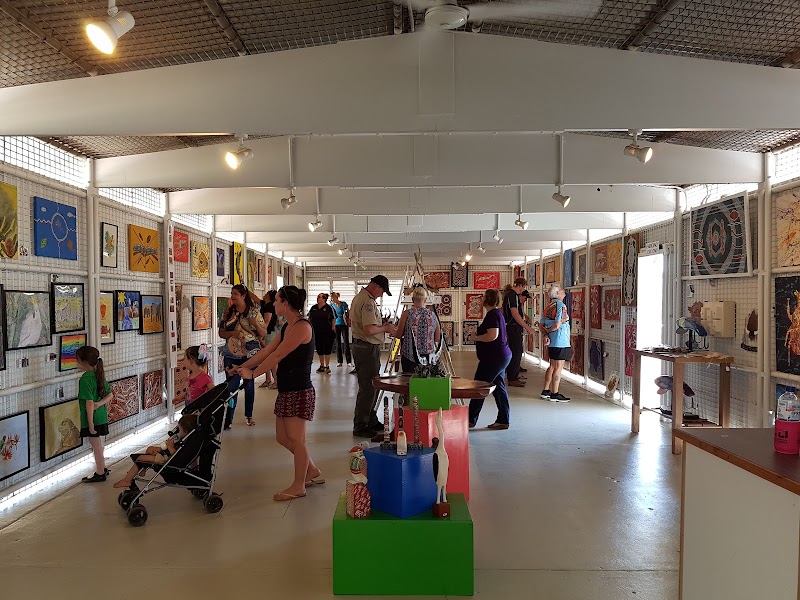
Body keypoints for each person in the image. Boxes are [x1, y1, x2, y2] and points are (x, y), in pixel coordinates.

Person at [236, 286, 324, 501]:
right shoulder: (288, 326)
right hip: (287, 389)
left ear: (286, 304)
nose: (273, 304)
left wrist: (253, 374)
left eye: (276, 301)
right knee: (283, 438)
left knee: (297, 439)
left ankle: (299, 485)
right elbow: (267, 351)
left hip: (299, 389)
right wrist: (242, 367)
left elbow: (277, 357)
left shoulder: (302, 327)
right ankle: (311, 470)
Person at [350, 275, 397, 437]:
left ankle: (370, 420)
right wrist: (385, 328)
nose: (381, 294)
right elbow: (369, 330)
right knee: (368, 388)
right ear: (376, 286)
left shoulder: (360, 297)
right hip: (367, 348)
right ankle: (361, 425)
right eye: (382, 291)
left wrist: (380, 324)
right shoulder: (368, 302)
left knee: (372, 386)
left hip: (364, 347)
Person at [219, 284, 267, 428]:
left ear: (243, 296)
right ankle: (229, 419)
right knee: (231, 387)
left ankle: (249, 415)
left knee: (249, 385)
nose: (232, 296)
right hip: (231, 353)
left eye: (235, 294)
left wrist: (254, 324)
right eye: (231, 293)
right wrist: (232, 334)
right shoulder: (228, 313)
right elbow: (221, 333)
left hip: (250, 353)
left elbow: (263, 333)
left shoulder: (253, 312)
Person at [112, 414, 198, 488]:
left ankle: (127, 480)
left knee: (140, 458)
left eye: (180, 429)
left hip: (166, 459)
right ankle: (142, 469)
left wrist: (171, 447)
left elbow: (177, 457)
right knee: (150, 449)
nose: (178, 432)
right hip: (164, 455)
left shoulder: (187, 443)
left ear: (186, 431)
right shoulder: (184, 438)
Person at [468, 289, 513, 429]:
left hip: (494, 359)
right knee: (499, 388)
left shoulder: (493, 315)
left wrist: (476, 337)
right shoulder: (495, 314)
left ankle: (470, 420)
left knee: (479, 386)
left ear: (488, 299)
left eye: (484, 297)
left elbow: (492, 335)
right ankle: (503, 420)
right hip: (499, 357)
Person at [76, 346, 113, 483]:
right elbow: (110, 395)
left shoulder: (85, 379)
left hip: (92, 419)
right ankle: (102, 468)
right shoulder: (99, 375)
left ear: (83, 362)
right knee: (99, 445)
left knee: (96, 446)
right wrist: (100, 404)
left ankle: (100, 472)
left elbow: (89, 404)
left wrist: (90, 425)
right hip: (101, 416)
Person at [395, 285, 441, 373]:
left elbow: (399, 335)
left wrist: (391, 330)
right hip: (429, 357)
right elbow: (437, 338)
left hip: (410, 356)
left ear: (412, 300)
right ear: (426, 300)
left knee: (410, 382)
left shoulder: (407, 314)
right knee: (426, 383)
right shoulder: (433, 315)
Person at [539, 285, 572, 402]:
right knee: (559, 367)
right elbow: (558, 324)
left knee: (552, 365)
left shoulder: (548, 306)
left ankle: (546, 390)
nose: (564, 293)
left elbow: (540, 324)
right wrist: (550, 330)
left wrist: (546, 334)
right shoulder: (561, 306)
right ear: (557, 294)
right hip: (560, 339)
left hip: (552, 341)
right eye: (562, 291)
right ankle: (555, 393)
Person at [503, 277, 537, 387]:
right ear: (521, 285)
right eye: (524, 287)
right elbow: (515, 314)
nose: (524, 289)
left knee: (517, 351)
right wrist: (527, 327)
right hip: (513, 327)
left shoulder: (512, 295)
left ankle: (514, 375)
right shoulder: (512, 295)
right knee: (516, 352)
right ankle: (512, 378)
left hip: (513, 327)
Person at [308, 292, 336, 373]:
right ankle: (322, 365)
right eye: (317, 297)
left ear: (324, 299)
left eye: (319, 297)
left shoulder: (329, 308)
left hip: (327, 331)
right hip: (316, 331)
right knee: (319, 349)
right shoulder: (313, 308)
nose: (318, 298)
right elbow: (309, 318)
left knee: (327, 348)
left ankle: (327, 366)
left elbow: (333, 318)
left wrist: (333, 328)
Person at [259, 290, 278, 388]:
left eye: (266, 294)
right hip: (266, 334)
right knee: (265, 358)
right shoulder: (264, 304)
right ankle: (268, 379)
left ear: (269, 296)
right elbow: (255, 298)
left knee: (271, 358)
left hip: (268, 335)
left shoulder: (270, 306)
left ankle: (276, 381)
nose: (264, 294)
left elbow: (266, 321)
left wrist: (261, 336)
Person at [330, 292, 353, 368]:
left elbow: (349, 313)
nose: (332, 299)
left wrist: (349, 320)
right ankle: (339, 361)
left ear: (336, 297)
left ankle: (349, 361)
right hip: (336, 325)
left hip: (344, 324)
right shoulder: (331, 305)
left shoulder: (343, 304)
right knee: (338, 343)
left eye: (332, 298)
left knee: (346, 342)